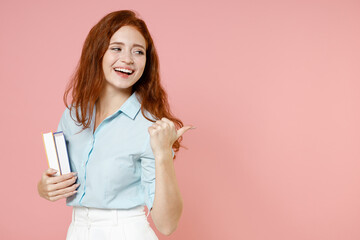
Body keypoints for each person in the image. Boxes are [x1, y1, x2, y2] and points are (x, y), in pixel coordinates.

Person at [37, 10, 194, 239]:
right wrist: (44, 188)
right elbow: (60, 181)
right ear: (97, 53)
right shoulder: (72, 117)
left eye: (138, 51)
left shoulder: (149, 126)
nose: (128, 59)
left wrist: (162, 154)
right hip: (77, 230)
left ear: (146, 63)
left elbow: (167, 225)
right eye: (116, 48)